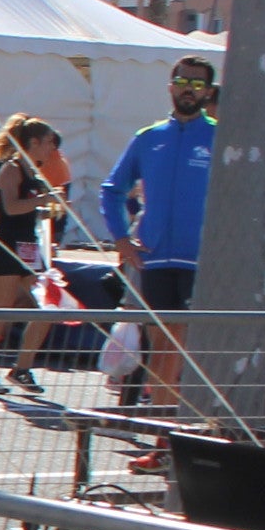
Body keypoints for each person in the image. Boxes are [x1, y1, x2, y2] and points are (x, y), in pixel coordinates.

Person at [99, 55, 217, 424]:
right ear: (170, 86)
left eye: (198, 84)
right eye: (183, 81)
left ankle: (178, 434)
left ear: (208, 92)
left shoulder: (220, 136)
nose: (189, 89)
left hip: (199, 261)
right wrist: (121, 239)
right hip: (155, 259)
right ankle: (165, 436)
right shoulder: (149, 138)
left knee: (179, 348)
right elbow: (112, 190)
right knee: (162, 349)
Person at [0, 116, 58, 394]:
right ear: (33, 143)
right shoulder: (11, 169)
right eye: (48, 143)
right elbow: (10, 208)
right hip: (7, 249)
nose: (51, 148)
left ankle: (22, 368)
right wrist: (42, 200)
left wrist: (49, 207)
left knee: (47, 309)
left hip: (30, 249)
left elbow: (31, 209)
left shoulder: (33, 172)